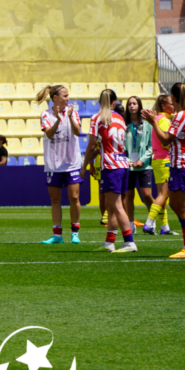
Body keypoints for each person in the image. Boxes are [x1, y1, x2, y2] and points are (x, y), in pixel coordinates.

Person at [144, 83, 185, 259]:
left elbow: (165, 140)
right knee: (173, 204)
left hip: (182, 165)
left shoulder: (179, 116)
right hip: (182, 164)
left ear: (174, 97)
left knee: (183, 206)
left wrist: (153, 122)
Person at [83, 89, 137, 254]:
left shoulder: (97, 118)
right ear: (114, 102)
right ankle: (109, 242)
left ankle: (129, 242)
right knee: (111, 205)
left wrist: (84, 165)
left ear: (100, 102)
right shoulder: (120, 118)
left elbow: (92, 146)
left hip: (110, 165)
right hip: (122, 163)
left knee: (116, 205)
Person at [36, 84, 83, 245]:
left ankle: (75, 232)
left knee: (74, 197)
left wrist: (69, 117)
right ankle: (57, 235)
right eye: (65, 95)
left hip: (71, 162)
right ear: (55, 98)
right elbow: (49, 134)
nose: (67, 98)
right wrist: (57, 118)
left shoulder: (73, 112)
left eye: (68, 95)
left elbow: (77, 132)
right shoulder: (46, 114)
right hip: (54, 163)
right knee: (55, 199)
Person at [142, 94, 174, 236]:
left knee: (163, 195)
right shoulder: (165, 121)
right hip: (164, 159)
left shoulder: (159, 119)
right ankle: (149, 223)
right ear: (163, 106)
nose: (173, 106)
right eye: (171, 103)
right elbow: (165, 142)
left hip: (158, 159)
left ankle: (165, 227)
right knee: (163, 194)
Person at [122, 96, 155, 229]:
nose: (132, 106)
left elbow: (152, 145)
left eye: (134, 103)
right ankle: (131, 224)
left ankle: (152, 221)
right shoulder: (124, 125)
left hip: (144, 165)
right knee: (129, 195)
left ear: (139, 106)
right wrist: (126, 160)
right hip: (128, 165)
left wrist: (142, 160)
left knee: (146, 195)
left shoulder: (147, 124)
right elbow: (121, 145)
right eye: (130, 104)